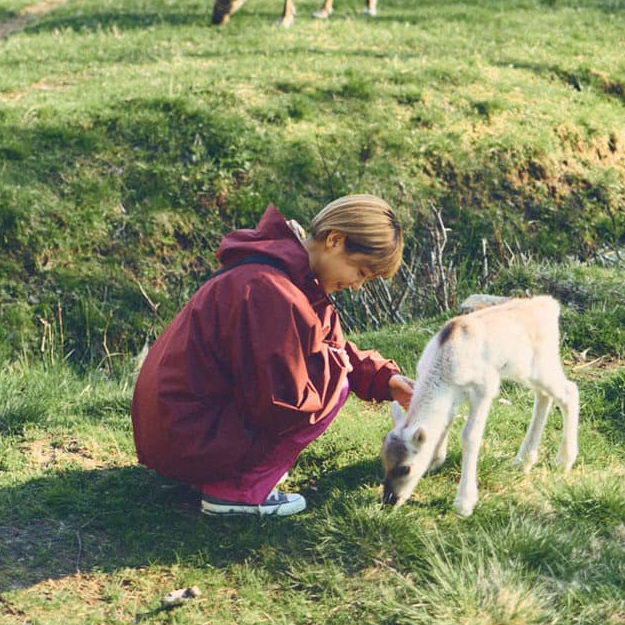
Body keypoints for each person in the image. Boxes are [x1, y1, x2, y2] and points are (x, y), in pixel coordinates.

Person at [130, 196, 413, 518]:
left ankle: (224, 476)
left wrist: (385, 380)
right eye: (360, 271)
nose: (357, 286)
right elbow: (282, 403)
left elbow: (328, 346)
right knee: (330, 389)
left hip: (176, 428)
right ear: (335, 240)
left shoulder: (289, 274)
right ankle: (236, 494)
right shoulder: (272, 291)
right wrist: (337, 377)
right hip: (182, 439)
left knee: (332, 373)